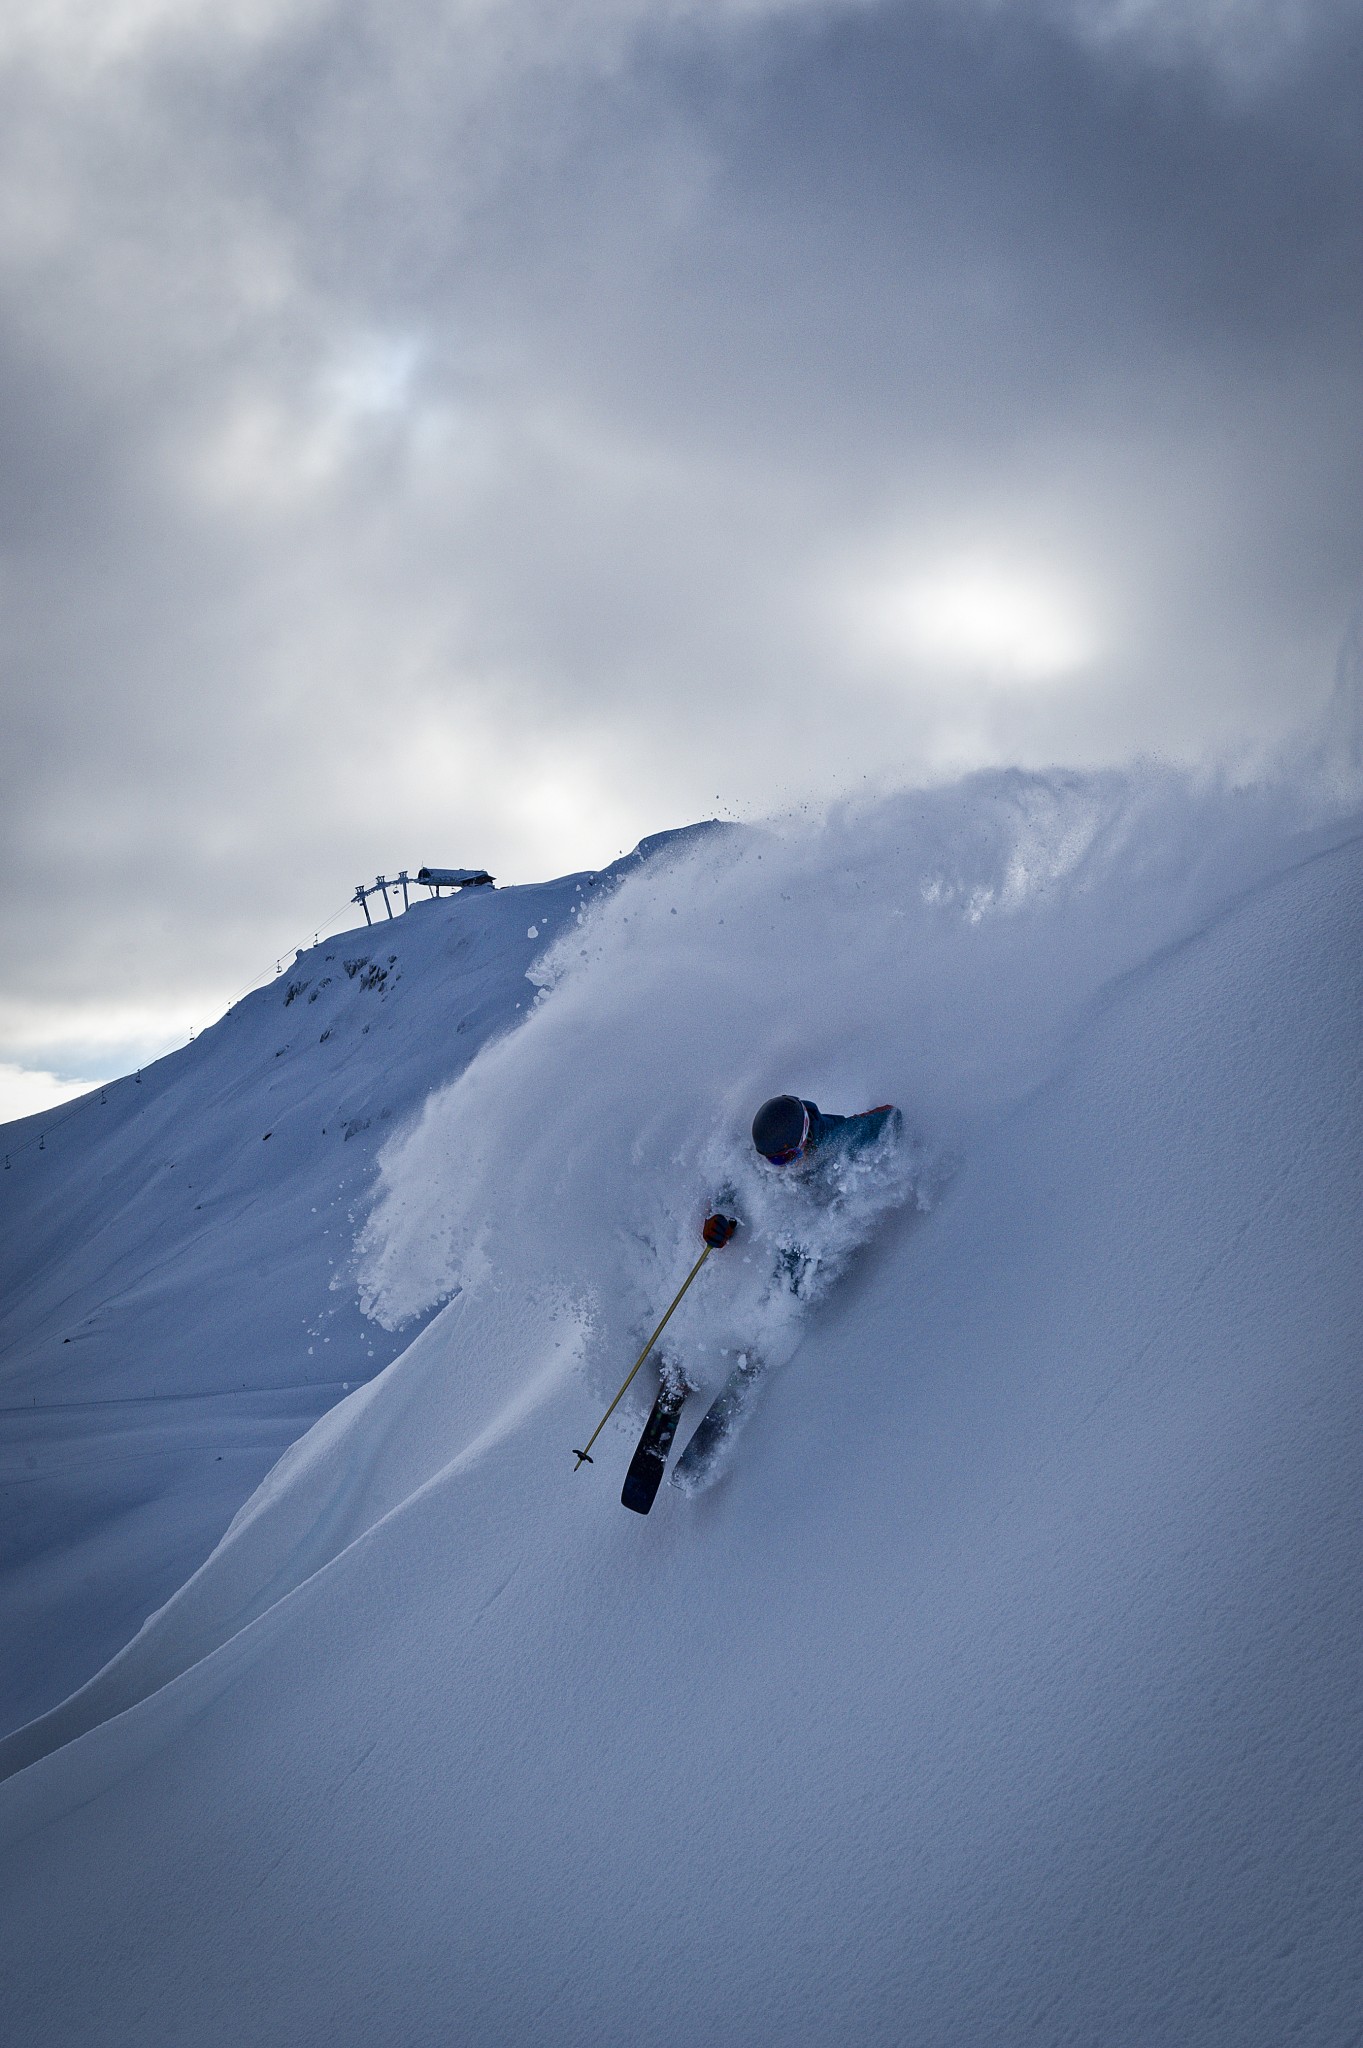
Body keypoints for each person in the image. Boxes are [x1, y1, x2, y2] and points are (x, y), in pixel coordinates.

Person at [749, 1093, 897, 1169]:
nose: (779, 1168)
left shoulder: (840, 1139)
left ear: (803, 1141)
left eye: (783, 1159)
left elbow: (891, 1116)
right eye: (772, 1159)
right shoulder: (779, 1147)